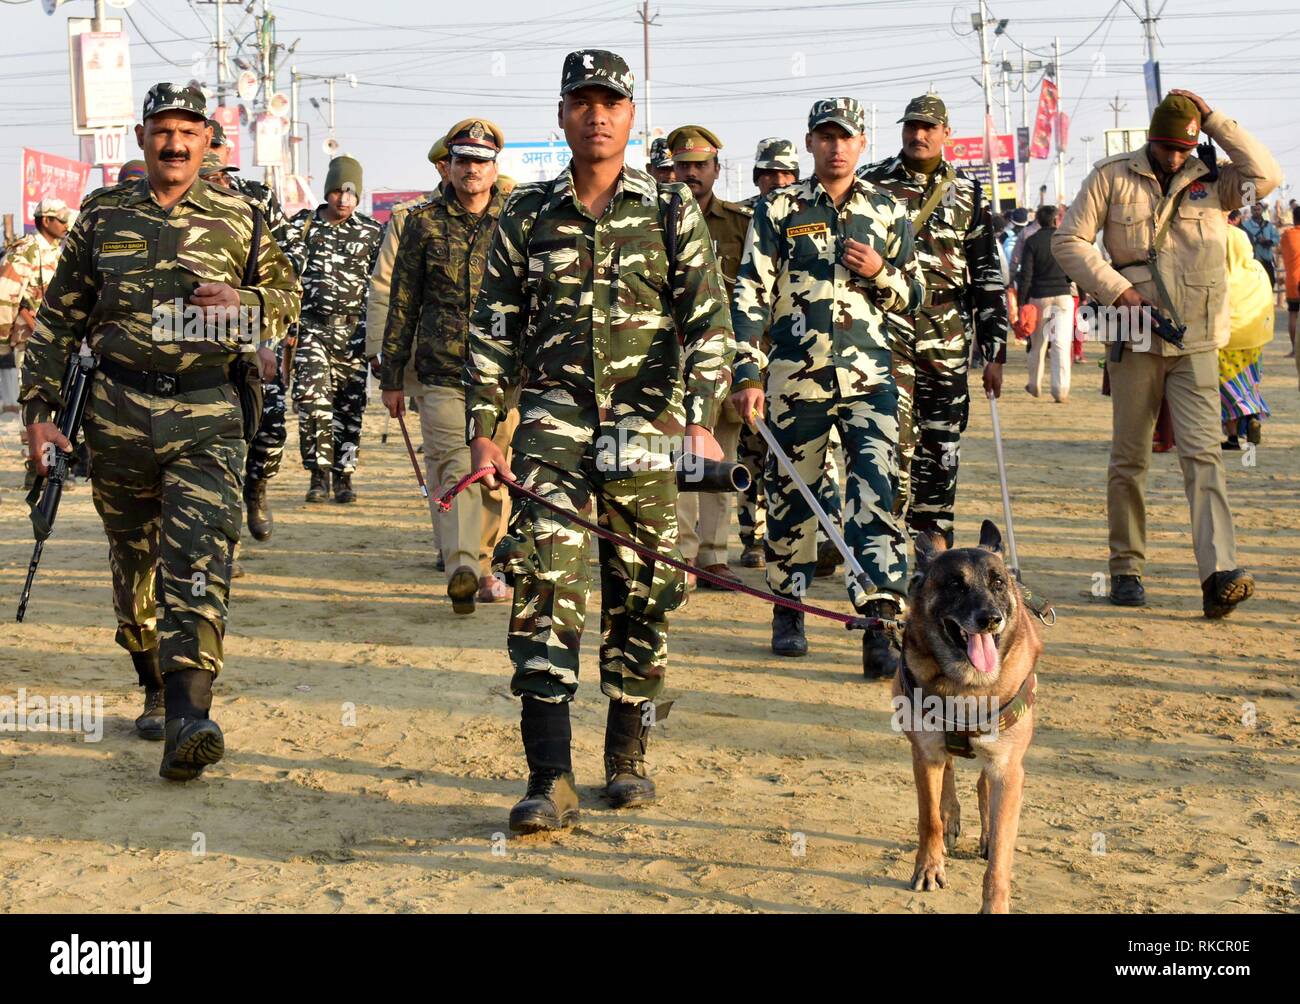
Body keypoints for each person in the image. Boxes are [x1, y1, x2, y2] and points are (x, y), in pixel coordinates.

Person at [465, 50, 733, 832]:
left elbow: (708, 324)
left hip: (648, 427)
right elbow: (493, 333)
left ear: (629, 114)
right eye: (581, 101)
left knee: (645, 587)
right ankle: (550, 777)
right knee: (546, 584)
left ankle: (627, 759)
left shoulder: (669, 210)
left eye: (610, 101)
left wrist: (696, 419)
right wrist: (487, 433)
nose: (596, 114)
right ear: (561, 115)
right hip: (553, 425)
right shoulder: (526, 214)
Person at [19, 82, 299, 777]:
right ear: (142, 139)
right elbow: (58, 320)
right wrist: (39, 415)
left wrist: (248, 301)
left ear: (209, 140)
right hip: (116, 417)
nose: (175, 144)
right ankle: (151, 681)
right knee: (135, 567)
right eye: (162, 131)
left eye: (188, 131)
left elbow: (289, 302)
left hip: (208, 415)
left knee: (198, 558)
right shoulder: (103, 216)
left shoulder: (243, 216)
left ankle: (189, 716)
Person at [1053, 89, 1280, 618]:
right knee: (1129, 458)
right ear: (1149, 139)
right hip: (1132, 331)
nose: (1174, 157)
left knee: (1202, 457)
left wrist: (1217, 120)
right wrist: (1119, 290)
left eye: (1184, 147)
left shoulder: (1217, 183)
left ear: (1194, 142)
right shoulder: (1111, 176)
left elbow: (1266, 175)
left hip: (1197, 340)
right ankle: (1126, 567)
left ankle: (1217, 573)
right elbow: (1070, 241)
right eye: (1165, 147)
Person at [731, 96, 922, 670]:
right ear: (810, 142)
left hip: (871, 378)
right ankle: (788, 606)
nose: (836, 147)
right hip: (796, 378)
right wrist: (746, 369)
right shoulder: (778, 209)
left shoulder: (889, 210)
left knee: (876, 491)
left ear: (863, 143)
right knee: (794, 492)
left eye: (846, 137)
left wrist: (880, 272)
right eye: (825, 136)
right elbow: (749, 293)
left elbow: (916, 294)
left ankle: (879, 618)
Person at [858, 93, 1008, 557]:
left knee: (941, 443)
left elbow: (985, 274)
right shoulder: (871, 184)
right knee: (891, 439)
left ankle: (933, 544)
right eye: (911, 126)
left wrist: (995, 349)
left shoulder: (968, 193)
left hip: (946, 332)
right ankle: (888, 545)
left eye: (928, 127)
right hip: (887, 327)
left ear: (945, 133)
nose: (918, 135)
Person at [382, 118, 516, 613]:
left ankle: (484, 562)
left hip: (504, 373)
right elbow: (402, 303)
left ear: (494, 166)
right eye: (463, 160)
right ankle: (462, 564)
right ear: (450, 166)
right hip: (441, 371)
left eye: (481, 161)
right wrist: (392, 376)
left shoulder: (518, 219)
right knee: (457, 466)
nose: (471, 170)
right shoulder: (423, 222)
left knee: (495, 471)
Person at [206, 122, 305, 542]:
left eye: (214, 149)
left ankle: (257, 490)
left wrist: (266, 338)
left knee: (270, 428)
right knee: (211, 445)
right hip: (196, 345)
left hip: (256, 332)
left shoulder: (256, 200)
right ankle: (216, 540)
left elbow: (289, 265)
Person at [666, 124, 752, 589]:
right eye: (683, 165)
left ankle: (714, 556)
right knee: (676, 460)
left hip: (725, 360)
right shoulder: (652, 219)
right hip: (669, 362)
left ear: (717, 169)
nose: (691, 173)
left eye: (700, 165)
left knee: (722, 456)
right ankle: (681, 555)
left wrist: (745, 371)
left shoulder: (740, 225)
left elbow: (756, 298)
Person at [288, 156, 383, 503]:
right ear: (327, 192)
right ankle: (317, 475)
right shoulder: (302, 226)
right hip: (313, 330)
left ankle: (344, 476)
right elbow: (285, 275)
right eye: (338, 191)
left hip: (354, 334)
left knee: (349, 408)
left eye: (351, 193)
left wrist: (378, 340)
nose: (343, 199)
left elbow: (383, 286)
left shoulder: (372, 232)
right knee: (313, 403)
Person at [0, 198, 71, 417]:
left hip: (59, 341)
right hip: (32, 341)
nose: (66, 225)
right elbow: (5, 295)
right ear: (47, 220)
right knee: (36, 405)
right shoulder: (27, 249)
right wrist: (3, 343)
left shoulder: (57, 250)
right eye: (62, 220)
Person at [1219, 223, 1273, 449]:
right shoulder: (1258, 270)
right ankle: (1251, 418)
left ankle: (1232, 437)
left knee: (1226, 387)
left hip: (1226, 340)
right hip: (1254, 340)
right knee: (1249, 384)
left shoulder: (1218, 274)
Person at [1016, 205, 1075, 402]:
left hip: (1039, 297)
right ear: (1056, 220)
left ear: (1038, 221)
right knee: (1061, 343)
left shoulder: (1032, 242)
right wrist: (1081, 293)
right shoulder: (1064, 240)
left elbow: (1026, 274)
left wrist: (1022, 301)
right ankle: (1060, 390)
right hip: (1063, 296)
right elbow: (1074, 268)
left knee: (1038, 344)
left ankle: (1034, 385)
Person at [1241, 200, 1280, 291]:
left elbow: (1276, 238)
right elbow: (1242, 240)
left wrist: (1269, 241)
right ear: (1251, 211)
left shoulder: (1269, 225)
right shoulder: (1245, 225)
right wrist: (1255, 240)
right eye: (1254, 209)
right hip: (1253, 261)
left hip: (1267, 259)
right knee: (1255, 286)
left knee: (1271, 283)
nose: (1257, 211)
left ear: (1262, 210)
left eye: (1258, 209)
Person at [1281, 204, 1300, 360]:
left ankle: (1295, 349)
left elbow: (1280, 251)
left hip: (1293, 281)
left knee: (1293, 314)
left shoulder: (1287, 235)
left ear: (1294, 219)